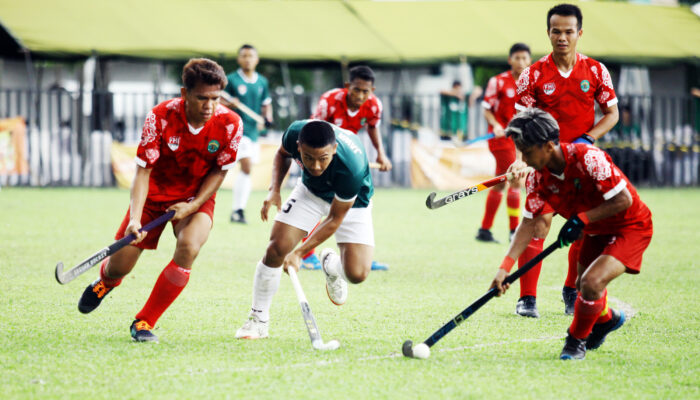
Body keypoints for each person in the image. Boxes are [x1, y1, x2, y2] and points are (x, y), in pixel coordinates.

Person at [77, 59, 243, 342]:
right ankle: (106, 282)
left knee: (189, 246)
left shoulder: (230, 123)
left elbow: (219, 171)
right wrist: (134, 218)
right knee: (120, 266)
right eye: (201, 98)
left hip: (196, 197)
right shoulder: (160, 116)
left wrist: (192, 205)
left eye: (215, 99)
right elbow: (143, 172)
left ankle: (144, 322)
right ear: (184, 93)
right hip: (153, 198)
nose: (209, 106)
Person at [490, 108, 652, 360]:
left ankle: (575, 342)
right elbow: (528, 223)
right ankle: (607, 320)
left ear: (548, 145)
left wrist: (581, 219)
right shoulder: (537, 178)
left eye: (528, 151)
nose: (524, 159)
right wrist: (504, 268)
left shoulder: (588, 158)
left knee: (590, 283)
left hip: (629, 226)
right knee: (583, 286)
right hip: (596, 230)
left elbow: (624, 199)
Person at [513, 3, 619, 316]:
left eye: (568, 31)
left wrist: (589, 138)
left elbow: (611, 113)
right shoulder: (532, 74)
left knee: (585, 228)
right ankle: (527, 298)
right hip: (545, 165)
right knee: (539, 224)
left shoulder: (597, 71)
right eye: (556, 31)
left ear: (579, 33)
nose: (562, 37)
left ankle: (571, 291)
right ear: (548, 33)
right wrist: (523, 158)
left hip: (583, 166)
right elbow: (522, 124)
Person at [234, 119, 376, 339]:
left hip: (352, 203)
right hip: (310, 193)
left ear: (335, 149)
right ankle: (258, 320)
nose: (316, 166)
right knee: (276, 248)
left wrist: (299, 253)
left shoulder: (352, 167)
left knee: (357, 274)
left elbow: (334, 219)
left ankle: (331, 265)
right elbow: (282, 154)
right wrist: (274, 190)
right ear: (299, 146)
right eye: (308, 158)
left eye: (323, 159)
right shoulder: (294, 133)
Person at [300, 65, 391, 271]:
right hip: (324, 159)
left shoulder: (374, 105)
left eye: (365, 91)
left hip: (350, 159)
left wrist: (381, 154)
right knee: (321, 204)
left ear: (372, 91)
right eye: (356, 90)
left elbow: (372, 128)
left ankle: (361, 254)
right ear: (348, 86)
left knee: (361, 203)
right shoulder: (329, 101)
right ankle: (306, 255)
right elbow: (314, 132)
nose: (360, 96)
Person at [477, 43, 531, 245]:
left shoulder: (530, 83)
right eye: (517, 58)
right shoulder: (497, 82)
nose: (521, 62)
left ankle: (484, 229)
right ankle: (514, 231)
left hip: (520, 140)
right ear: (510, 60)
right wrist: (496, 124)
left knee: (500, 184)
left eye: (525, 58)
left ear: (530, 60)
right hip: (501, 140)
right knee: (516, 180)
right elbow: (486, 109)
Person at [222, 44, 273, 224]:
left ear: (256, 59)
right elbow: (219, 102)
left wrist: (267, 119)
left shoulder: (262, 82)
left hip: (252, 132)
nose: (247, 59)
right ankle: (238, 210)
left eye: (251, 56)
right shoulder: (231, 80)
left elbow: (266, 104)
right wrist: (230, 105)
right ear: (239, 59)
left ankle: (238, 210)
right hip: (236, 131)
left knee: (246, 170)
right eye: (244, 56)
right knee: (246, 167)